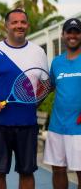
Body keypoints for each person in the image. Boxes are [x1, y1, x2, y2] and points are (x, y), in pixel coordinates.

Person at [0, 8, 48, 189]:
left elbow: (45, 84)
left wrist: (34, 102)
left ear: (27, 25)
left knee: (27, 172)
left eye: (22, 22)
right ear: (6, 26)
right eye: (14, 22)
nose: (19, 26)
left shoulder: (39, 52)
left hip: (27, 124)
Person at [43, 18, 81, 189]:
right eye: (69, 32)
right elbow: (49, 87)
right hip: (57, 126)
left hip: (78, 128)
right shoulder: (57, 62)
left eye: (76, 32)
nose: (73, 36)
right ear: (63, 35)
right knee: (58, 170)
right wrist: (30, 103)